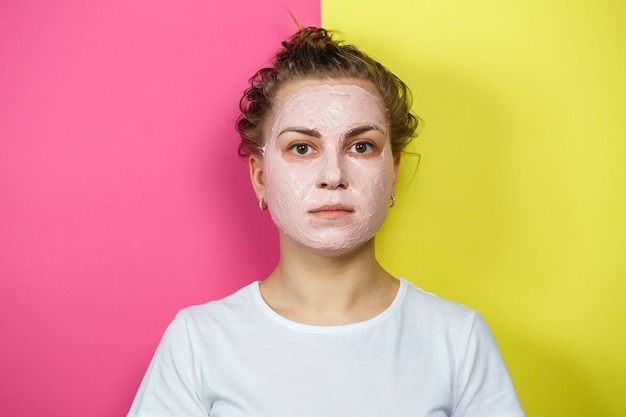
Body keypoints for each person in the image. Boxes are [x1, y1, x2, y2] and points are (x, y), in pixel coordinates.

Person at [127, 27, 525, 417]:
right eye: (302, 147)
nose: (333, 175)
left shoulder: (457, 339)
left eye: (361, 146)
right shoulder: (199, 343)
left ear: (392, 173)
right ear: (261, 177)